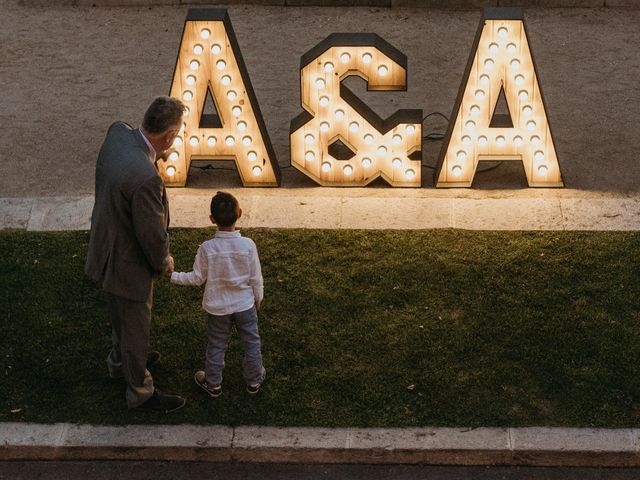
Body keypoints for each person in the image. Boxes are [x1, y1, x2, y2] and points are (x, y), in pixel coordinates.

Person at [85, 96, 186, 413]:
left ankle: (120, 361)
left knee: (119, 316)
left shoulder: (117, 134)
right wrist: (164, 261)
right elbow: (152, 234)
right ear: (168, 135)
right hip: (127, 262)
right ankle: (140, 391)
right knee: (134, 324)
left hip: (104, 243)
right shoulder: (146, 178)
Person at [170, 192, 266, 398]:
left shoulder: (207, 249)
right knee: (251, 342)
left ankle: (213, 383)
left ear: (212, 219)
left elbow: (196, 278)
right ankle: (254, 380)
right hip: (245, 306)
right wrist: (258, 298)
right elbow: (256, 278)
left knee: (216, 344)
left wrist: (173, 276)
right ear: (240, 213)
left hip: (217, 309)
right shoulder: (248, 246)